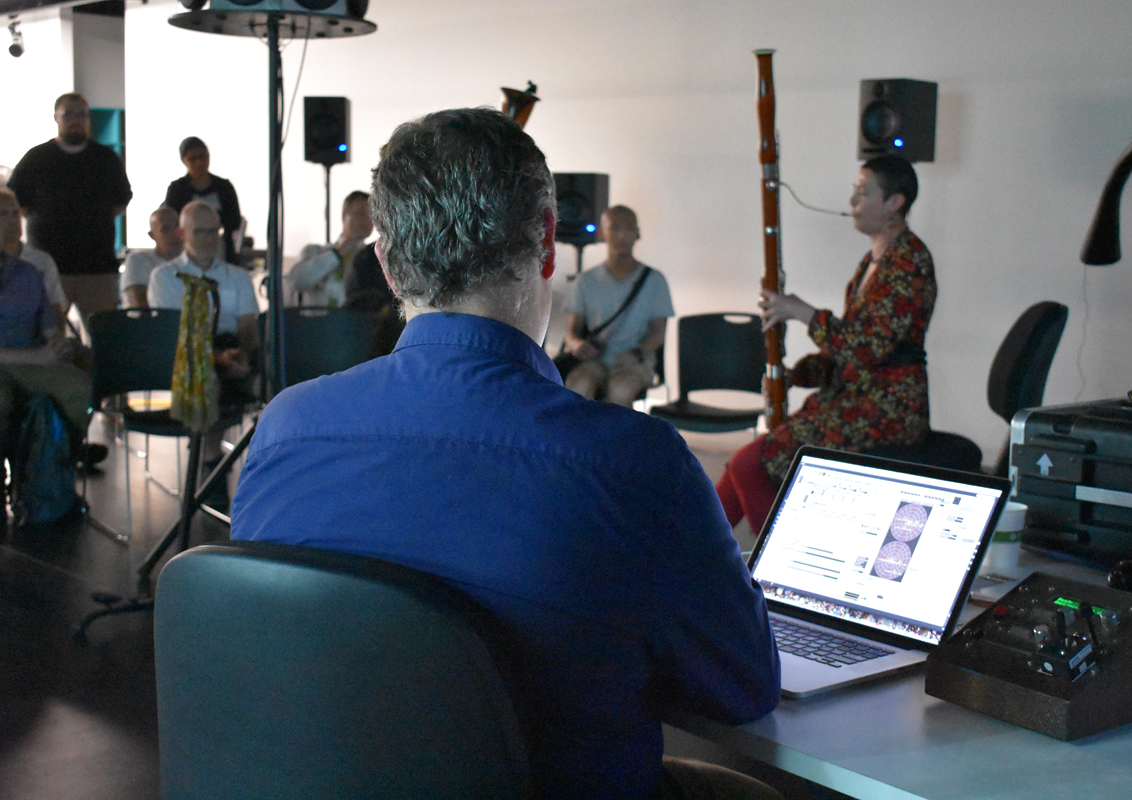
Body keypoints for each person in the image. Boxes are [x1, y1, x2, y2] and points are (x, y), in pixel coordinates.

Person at [231, 108, 783, 800]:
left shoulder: (285, 431)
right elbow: (745, 685)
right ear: (548, 244)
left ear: (387, 265)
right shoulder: (637, 466)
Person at [716, 156, 936, 533]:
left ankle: (770, 564)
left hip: (889, 408)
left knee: (760, 460)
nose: (852, 200)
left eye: (863, 192)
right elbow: (845, 353)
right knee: (745, 463)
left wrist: (803, 313)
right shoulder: (872, 262)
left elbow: (866, 349)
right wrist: (794, 375)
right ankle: (687, 550)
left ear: (894, 203)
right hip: (855, 398)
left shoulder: (908, 261)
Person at [0, 199, 94, 526]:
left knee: (80, 389)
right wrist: (36, 355)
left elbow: (48, 326)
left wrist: (57, 344)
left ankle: (57, 470)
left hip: (32, 362)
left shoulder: (28, 272)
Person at [148, 201, 258, 497]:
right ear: (183, 234)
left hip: (230, 349)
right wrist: (217, 357)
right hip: (186, 356)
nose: (210, 239)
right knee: (205, 375)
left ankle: (263, 461)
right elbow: (175, 338)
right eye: (202, 232)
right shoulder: (165, 277)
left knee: (274, 375)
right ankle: (211, 460)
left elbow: (249, 327)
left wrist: (243, 355)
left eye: (215, 232)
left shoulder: (237, 276)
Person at [8, 92, 132, 322]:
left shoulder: (105, 159)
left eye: (82, 114)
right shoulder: (36, 158)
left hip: (97, 268)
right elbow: (15, 200)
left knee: (103, 338)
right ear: (56, 118)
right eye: (68, 114)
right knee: (47, 336)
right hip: (48, 266)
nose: (76, 120)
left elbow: (121, 200)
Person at [562, 205, 674, 405]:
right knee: (578, 386)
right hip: (596, 359)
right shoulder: (586, 280)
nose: (621, 235)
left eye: (629, 228)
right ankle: (582, 436)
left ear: (637, 234)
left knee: (620, 390)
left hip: (635, 362)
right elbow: (572, 332)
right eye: (614, 228)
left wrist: (637, 353)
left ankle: (618, 437)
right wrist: (577, 344)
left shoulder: (654, 280)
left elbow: (658, 331)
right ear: (602, 233)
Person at [0, 188, 70, 332]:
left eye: (16, 213)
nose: (12, 219)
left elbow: (55, 309)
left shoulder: (41, 262)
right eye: (3, 214)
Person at [285, 190, 374, 307]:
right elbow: (297, 281)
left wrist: (322, 284)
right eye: (361, 213)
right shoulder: (314, 252)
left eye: (372, 215)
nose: (367, 220)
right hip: (315, 323)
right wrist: (337, 253)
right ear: (344, 215)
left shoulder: (373, 259)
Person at [163, 137, 242, 264]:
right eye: (193, 159)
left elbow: (234, 221)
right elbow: (171, 222)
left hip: (221, 250)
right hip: (186, 251)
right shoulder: (177, 189)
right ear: (184, 160)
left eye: (203, 157)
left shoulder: (224, 187)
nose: (199, 163)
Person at [119, 206, 183, 308]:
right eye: (165, 229)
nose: (173, 234)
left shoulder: (192, 262)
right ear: (152, 235)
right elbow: (139, 307)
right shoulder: (138, 261)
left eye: (177, 227)